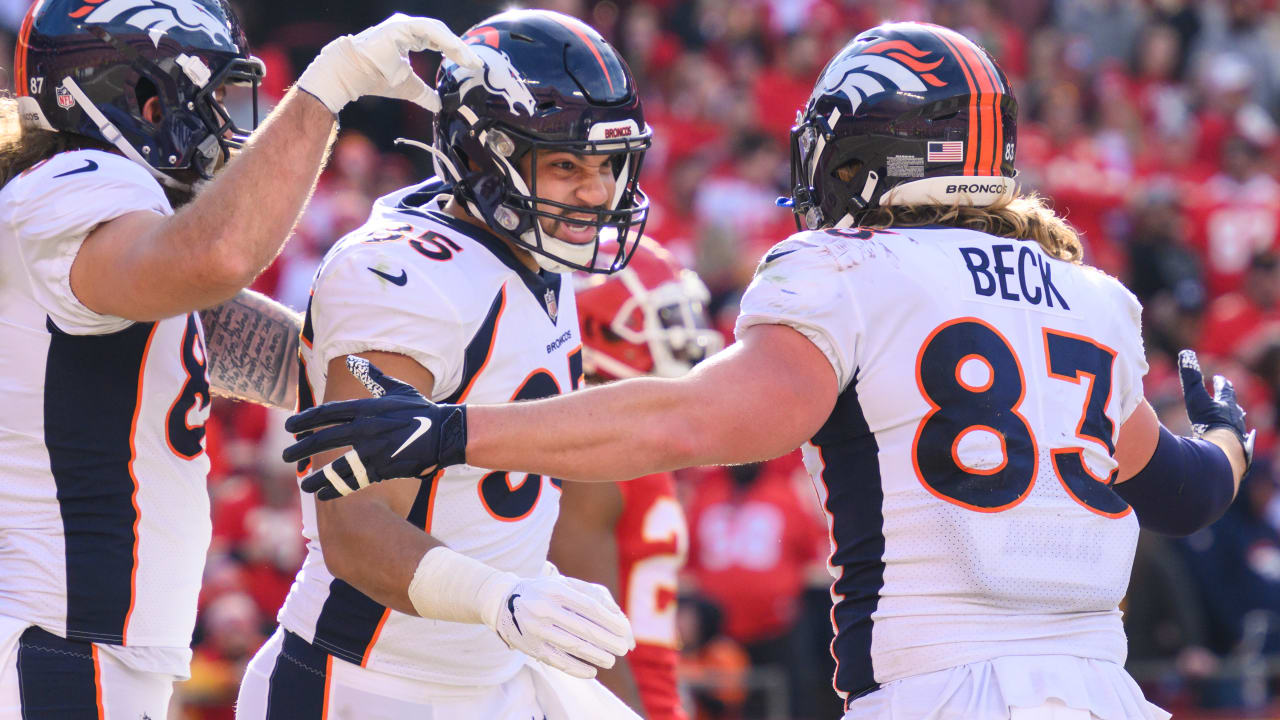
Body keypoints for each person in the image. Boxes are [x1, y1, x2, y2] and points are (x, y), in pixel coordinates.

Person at [288, 22, 1255, 720]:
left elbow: (692, 425)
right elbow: (1181, 489)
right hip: (1106, 693)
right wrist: (1227, 433)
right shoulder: (1093, 298)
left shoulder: (851, 270)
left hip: (941, 690)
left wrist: (453, 429)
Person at [0, 1, 479, 715]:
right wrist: (327, 90)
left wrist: (394, 377)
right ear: (140, 99)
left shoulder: (82, 217)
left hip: (78, 640)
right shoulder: (75, 182)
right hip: (58, 638)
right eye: (208, 97)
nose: (227, 124)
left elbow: (202, 326)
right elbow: (214, 259)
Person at [236, 9, 652, 718]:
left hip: (493, 672)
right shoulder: (404, 275)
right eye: (565, 164)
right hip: (369, 685)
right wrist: (499, 596)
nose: (595, 192)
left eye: (608, 164)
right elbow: (355, 527)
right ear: (484, 153)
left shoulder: (537, 252)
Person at [549, 238, 723, 719]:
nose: (688, 336)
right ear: (601, 327)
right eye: (667, 320)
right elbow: (590, 641)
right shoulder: (586, 455)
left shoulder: (635, 448)